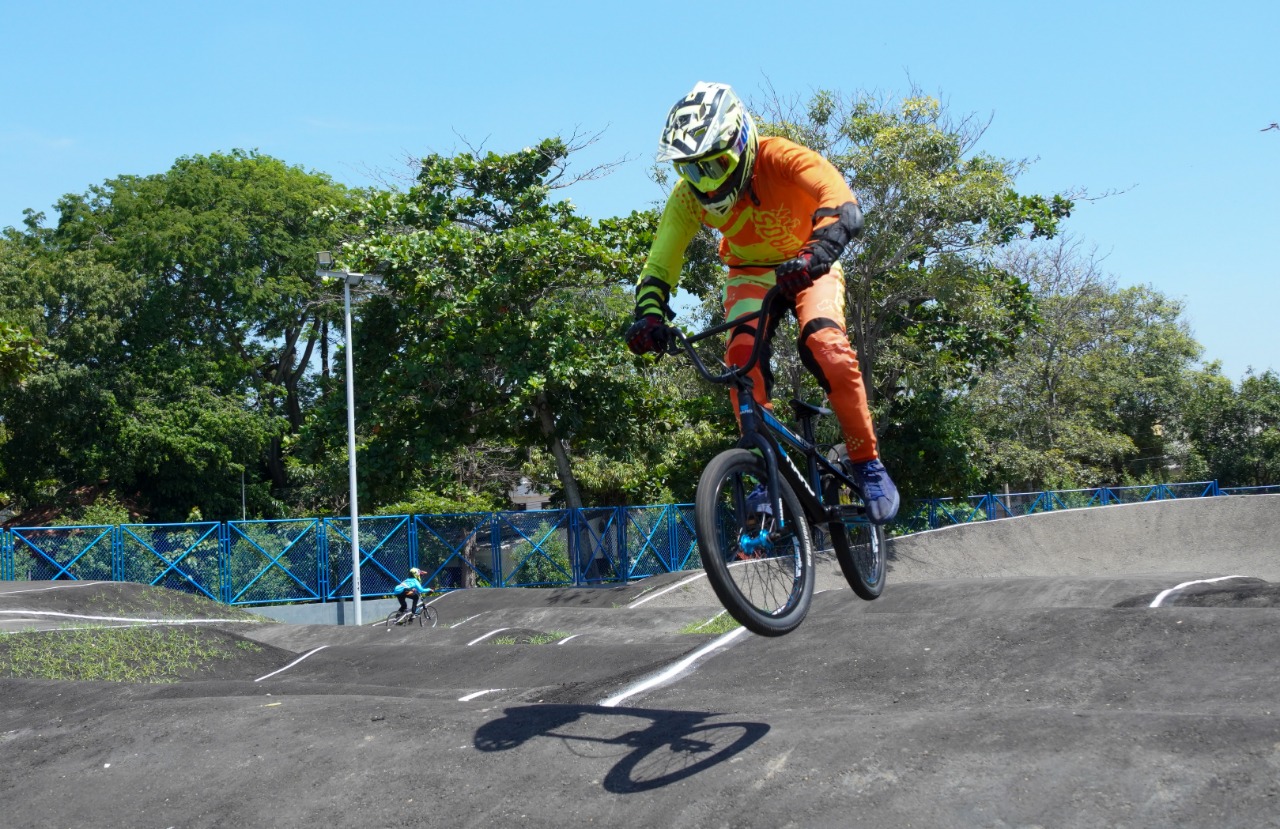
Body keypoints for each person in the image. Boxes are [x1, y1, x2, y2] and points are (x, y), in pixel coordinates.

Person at [624, 81, 900, 524]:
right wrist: (648, 315)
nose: (707, 183)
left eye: (714, 164)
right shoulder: (687, 200)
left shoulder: (781, 157)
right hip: (749, 273)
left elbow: (840, 199)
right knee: (739, 360)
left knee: (826, 345)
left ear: (741, 142)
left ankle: (867, 462)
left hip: (809, 263)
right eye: (691, 170)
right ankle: (766, 474)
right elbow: (660, 263)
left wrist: (822, 248)